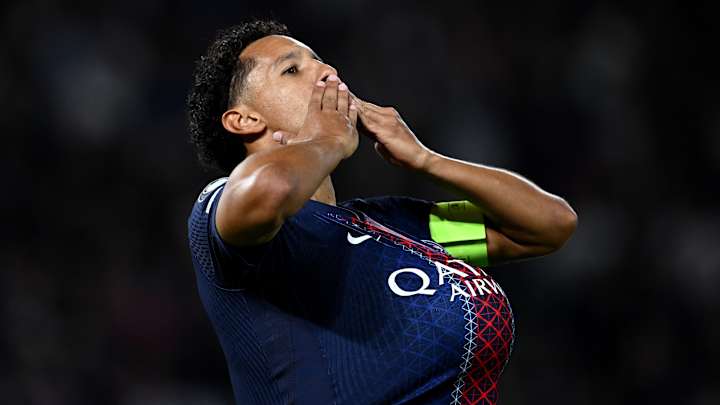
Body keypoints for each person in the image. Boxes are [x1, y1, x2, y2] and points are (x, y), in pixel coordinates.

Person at [186, 20, 577, 405]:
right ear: (244, 119)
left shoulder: (399, 226)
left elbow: (549, 225)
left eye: (321, 61)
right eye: (292, 70)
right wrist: (328, 139)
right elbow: (271, 190)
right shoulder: (227, 220)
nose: (327, 71)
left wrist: (426, 160)